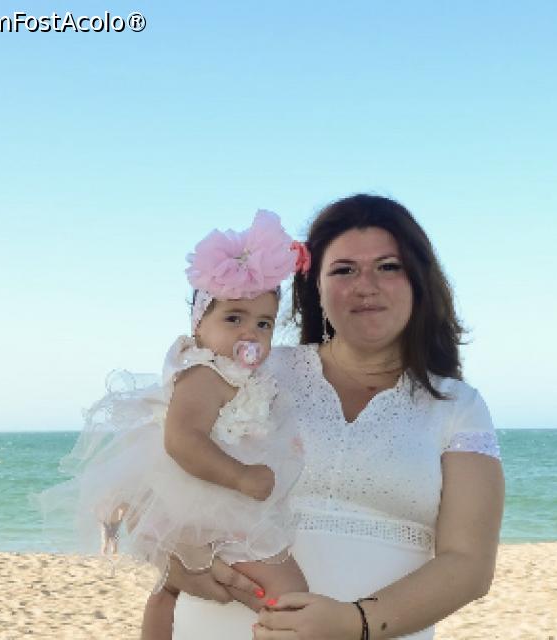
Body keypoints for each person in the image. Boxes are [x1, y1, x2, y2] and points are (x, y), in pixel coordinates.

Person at [160, 194, 504, 640]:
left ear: (419, 281)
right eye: (344, 270)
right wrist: (175, 559)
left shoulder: (458, 406)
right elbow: (154, 464)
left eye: (388, 267)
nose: (366, 285)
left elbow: (469, 564)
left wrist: (353, 622)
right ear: (315, 288)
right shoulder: (253, 370)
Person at [38, 210, 311, 640]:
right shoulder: (204, 374)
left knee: (169, 587)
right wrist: (240, 477)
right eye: (234, 318)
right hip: (208, 493)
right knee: (287, 588)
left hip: (204, 497)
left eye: (263, 324)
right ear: (198, 324)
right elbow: (182, 439)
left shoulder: (236, 374)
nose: (250, 334)